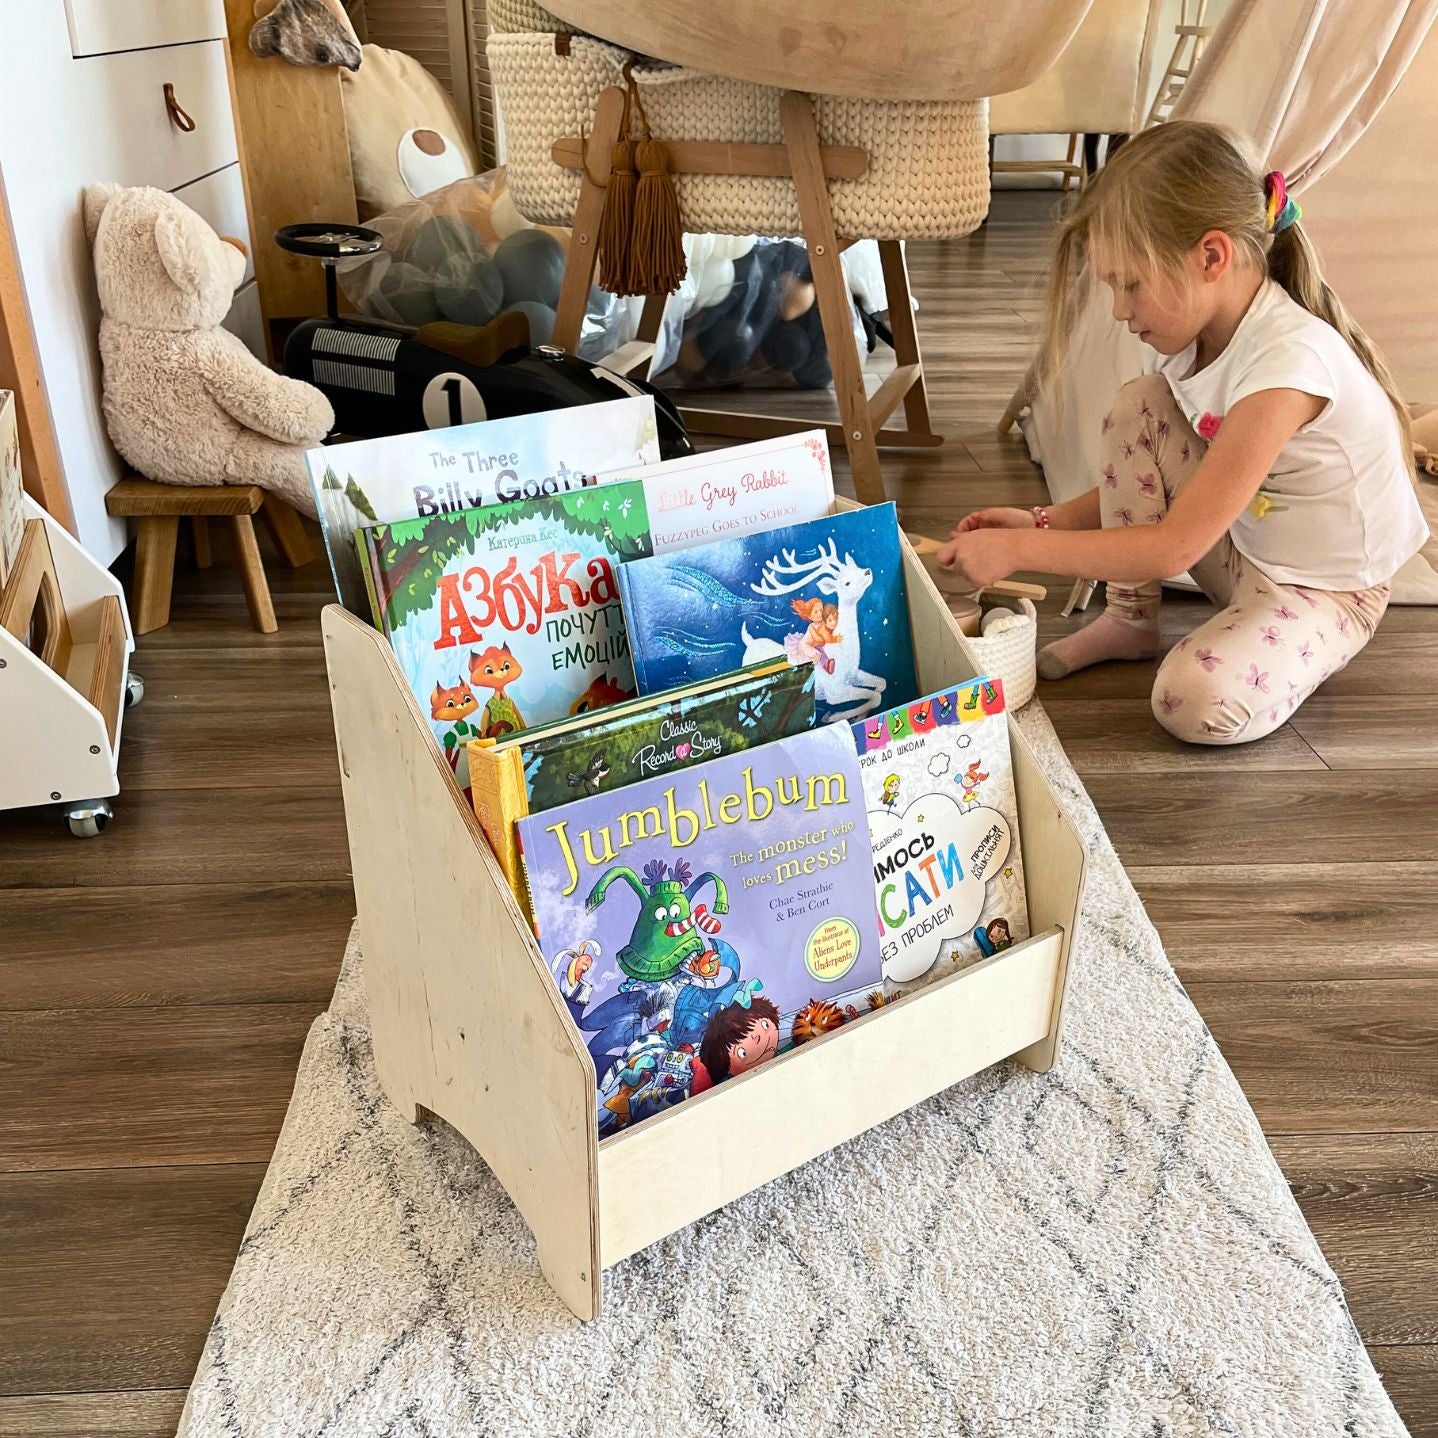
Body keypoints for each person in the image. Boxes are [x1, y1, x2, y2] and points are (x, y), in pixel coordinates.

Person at [938, 122, 1428, 745]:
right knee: (1137, 407)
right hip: (1247, 552)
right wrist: (1040, 522)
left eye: (1130, 284)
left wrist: (1018, 554)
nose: (1119, 308)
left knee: (1189, 699)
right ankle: (1131, 619)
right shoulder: (1183, 342)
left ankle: (1290, 649)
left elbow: (1173, 546)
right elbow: (1145, 484)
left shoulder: (1287, 367)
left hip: (1328, 593)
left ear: (1212, 257)